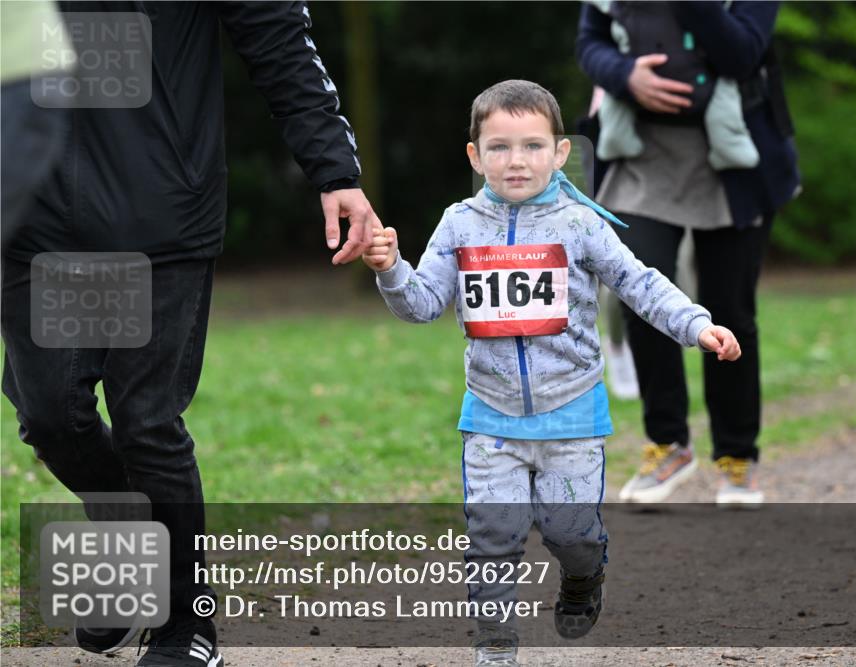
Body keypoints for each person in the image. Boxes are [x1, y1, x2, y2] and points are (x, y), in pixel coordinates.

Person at [1, 3, 378, 665]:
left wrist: (334, 170)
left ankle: (185, 624)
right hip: (34, 212)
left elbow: (278, 38)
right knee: (51, 415)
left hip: (160, 208)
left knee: (147, 420)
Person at [361, 79, 741, 667]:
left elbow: (639, 282)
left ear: (561, 153)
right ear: (475, 155)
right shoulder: (459, 225)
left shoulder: (580, 224)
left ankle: (584, 577)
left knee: (571, 533)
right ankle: (494, 647)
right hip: (490, 416)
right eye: (500, 147)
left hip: (572, 413)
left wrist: (696, 325)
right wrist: (390, 269)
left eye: (533, 146)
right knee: (493, 538)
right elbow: (421, 304)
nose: (517, 160)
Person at [576, 1, 800, 508]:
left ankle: (737, 458)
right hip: (642, 160)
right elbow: (589, 44)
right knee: (639, 295)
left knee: (730, 311)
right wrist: (625, 74)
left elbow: (741, 53)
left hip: (735, 166)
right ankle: (668, 442)